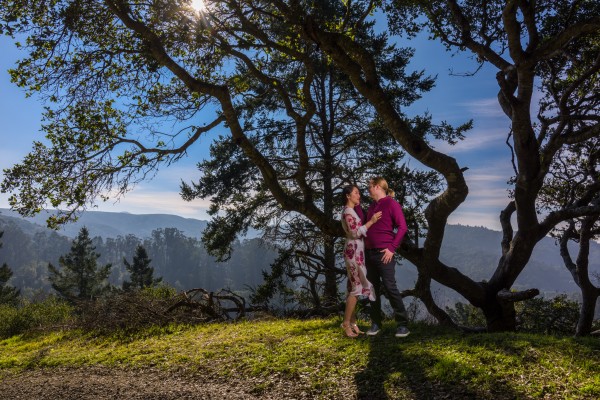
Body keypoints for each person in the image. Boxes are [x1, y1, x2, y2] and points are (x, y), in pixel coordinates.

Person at [360, 176, 410, 337]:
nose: (368, 189)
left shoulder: (391, 203)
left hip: (384, 254)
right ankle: (376, 323)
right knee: (372, 290)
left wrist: (392, 249)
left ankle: (403, 325)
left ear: (377, 187)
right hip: (369, 254)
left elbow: (402, 227)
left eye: (370, 186)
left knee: (390, 287)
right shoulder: (372, 206)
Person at [340, 185, 382, 338]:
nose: (359, 195)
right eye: (356, 193)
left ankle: (352, 323)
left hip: (355, 252)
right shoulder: (348, 212)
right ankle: (346, 323)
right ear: (348, 195)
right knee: (356, 287)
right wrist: (371, 221)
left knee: (353, 285)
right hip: (353, 253)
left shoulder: (350, 212)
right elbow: (355, 233)